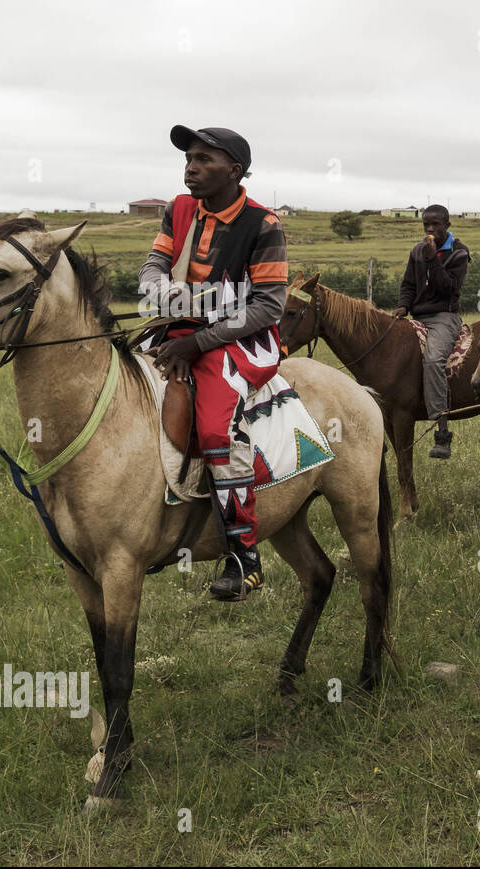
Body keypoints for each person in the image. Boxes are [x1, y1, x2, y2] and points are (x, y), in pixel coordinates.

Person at [139, 125, 287, 600]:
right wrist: (164, 295)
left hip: (239, 339)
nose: (191, 166)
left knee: (219, 428)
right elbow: (153, 266)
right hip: (176, 330)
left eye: (204, 159)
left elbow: (268, 305)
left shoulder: (263, 225)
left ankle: (244, 554)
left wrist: (198, 342)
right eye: (189, 158)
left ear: (234, 171)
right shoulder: (179, 210)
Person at [393, 205, 470, 459]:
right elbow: (408, 284)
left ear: (447, 225)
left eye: (436, 224)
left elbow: (448, 289)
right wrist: (403, 306)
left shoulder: (458, 253)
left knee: (434, 359)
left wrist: (432, 259)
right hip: (417, 315)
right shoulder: (417, 251)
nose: (430, 229)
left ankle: (442, 431)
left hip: (443, 317)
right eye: (426, 224)